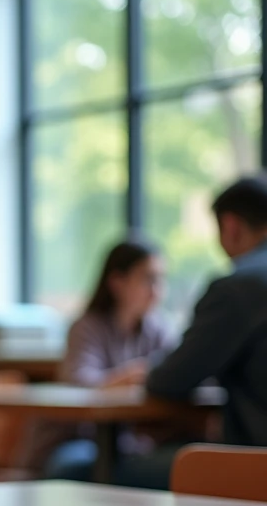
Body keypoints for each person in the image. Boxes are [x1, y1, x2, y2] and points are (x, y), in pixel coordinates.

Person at [32, 239, 177, 481]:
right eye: (148, 279)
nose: (157, 290)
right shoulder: (86, 327)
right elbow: (79, 382)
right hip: (78, 440)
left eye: (161, 279)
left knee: (181, 460)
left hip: (127, 444)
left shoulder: (158, 329)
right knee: (72, 465)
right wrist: (134, 375)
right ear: (117, 282)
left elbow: (174, 372)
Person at [146, 175, 267, 448]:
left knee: (84, 469)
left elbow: (171, 379)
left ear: (231, 226)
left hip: (255, 466)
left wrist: (145, 372)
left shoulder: (239, 287)